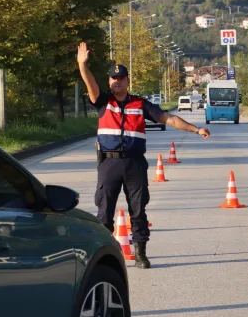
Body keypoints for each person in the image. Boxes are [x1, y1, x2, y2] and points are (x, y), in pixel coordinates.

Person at [76, 42, 210, 269]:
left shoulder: (140, 104)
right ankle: (102, 256)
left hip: (134, 164)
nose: (116, 81)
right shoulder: (103, 102)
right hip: (109, 163)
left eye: (121, 78)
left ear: (127, 81)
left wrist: (195, 129)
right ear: (109, 81)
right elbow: (90, 84)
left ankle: (140, 253)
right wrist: (83, 66)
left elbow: (168, 118)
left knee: (138, 210)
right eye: (113, 78)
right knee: (104, 212)